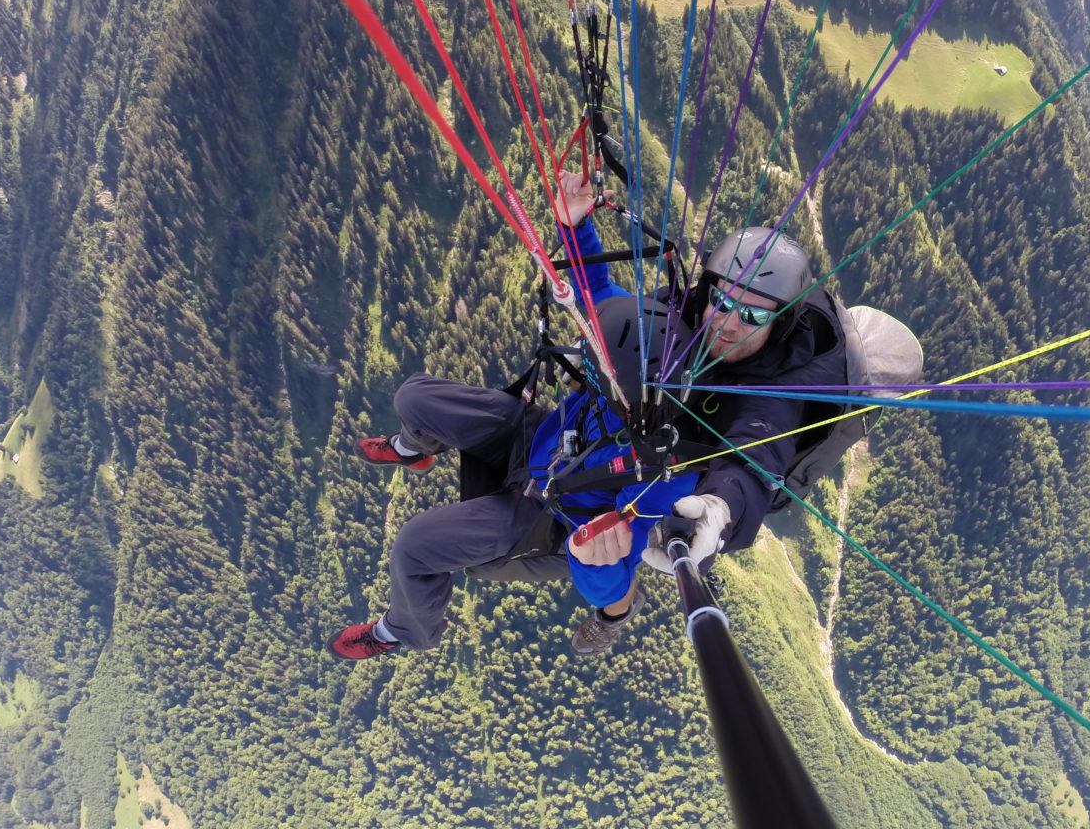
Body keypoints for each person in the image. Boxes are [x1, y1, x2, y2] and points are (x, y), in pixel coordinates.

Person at [329, 173, 849, 661]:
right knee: (415, 397)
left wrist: (720, 508)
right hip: (547, 437)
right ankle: (416, 448)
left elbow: (754, 461)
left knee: (415, 546)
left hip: (555, 512)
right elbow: (600, 299)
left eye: (755, 315)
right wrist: (576, 225)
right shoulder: (672, 327)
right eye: (724, 299)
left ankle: (404, 630)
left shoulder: (753, 407)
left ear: (781, 323)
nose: (730, 322)